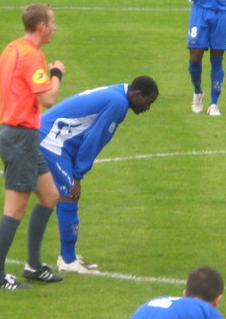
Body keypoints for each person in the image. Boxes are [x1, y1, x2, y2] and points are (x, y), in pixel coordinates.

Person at [38, 77, 159, 274]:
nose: (148, 108)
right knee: (70, 192)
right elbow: (94, 139)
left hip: (55, 136)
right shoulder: (118, 103)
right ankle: (68, 260)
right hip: (51, 139)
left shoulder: (118, 92)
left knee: (65, 194)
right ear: (137, 95)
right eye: (148, 102)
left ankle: (68, 255)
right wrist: (78, 174)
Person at [0, 3, 66, 290]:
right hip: (19, 136)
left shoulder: (12, 48)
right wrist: (56, 74)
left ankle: (33, 266)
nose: (55, 27)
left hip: (21, 136)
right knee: (16, 208)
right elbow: (47, 99)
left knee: (49, 195)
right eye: (53, 22)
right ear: (41, 26)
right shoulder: (33, 56)